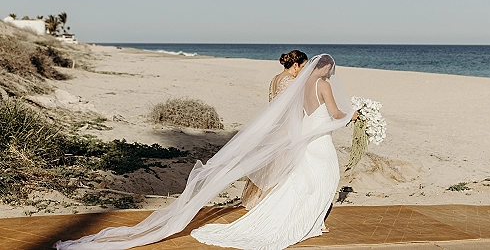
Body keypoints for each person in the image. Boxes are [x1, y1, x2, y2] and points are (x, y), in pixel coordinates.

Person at [55, 54, 355, 250]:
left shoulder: (291, 83)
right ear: (314, 67)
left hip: (296, 132)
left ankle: (306, 217)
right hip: (307, 136)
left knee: (298, 178)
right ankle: (306, 218)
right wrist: (356, 114)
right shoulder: (317, 85)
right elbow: (325, 112)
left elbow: (284, 106)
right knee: (315, 176)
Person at [241, 49, 308, 209]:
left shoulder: (275, 79)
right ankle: (273, 204)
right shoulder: (291, 82)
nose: (304, 71)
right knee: (281, 168)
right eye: (304, 67)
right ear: (296, 65)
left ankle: (258, 200)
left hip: (274, 127)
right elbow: (292, 109)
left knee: (271, 167)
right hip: (285, 128)